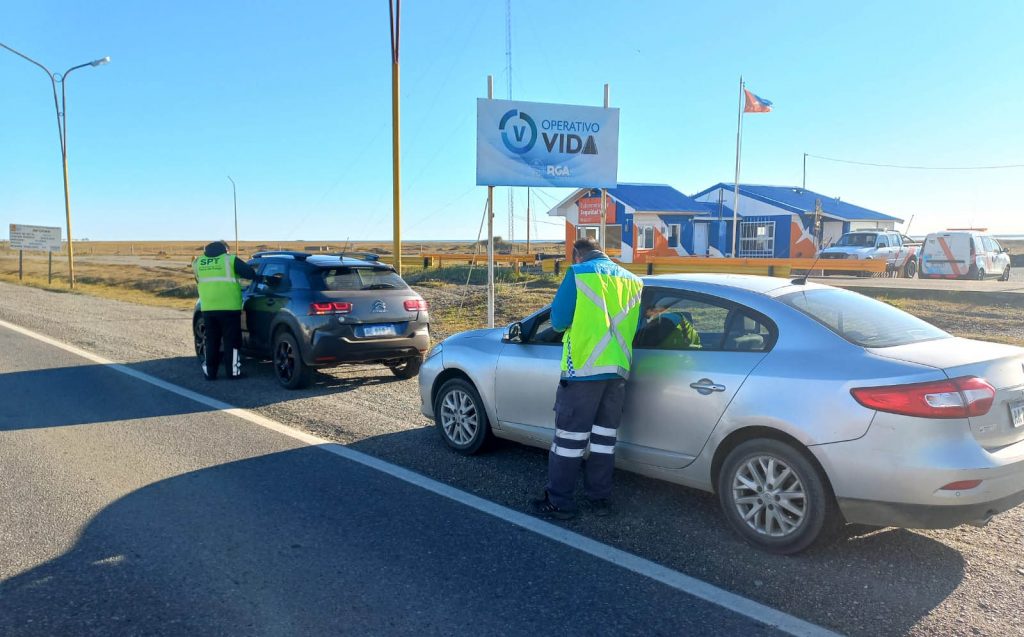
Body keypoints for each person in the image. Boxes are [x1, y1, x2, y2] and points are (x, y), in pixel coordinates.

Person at [531, 237, 643, 520]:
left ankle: (560, 501)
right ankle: (599, 499)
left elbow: (557, 321)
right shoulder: (632, 281)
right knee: (604, 440)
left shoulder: (579, 273)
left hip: (581, 372)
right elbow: (636, 325)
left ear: (576, 254)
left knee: (569, 441)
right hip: (617, 371)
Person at [193, 240, 258, 380]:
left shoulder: (198, 262)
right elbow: (250, 273)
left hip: (208, 308)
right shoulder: (230, 260)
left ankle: (210, 373)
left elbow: (198, 280)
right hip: (229, 308)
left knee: (211, 341)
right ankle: (233, 372)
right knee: (231, 341)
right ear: (225, 250)